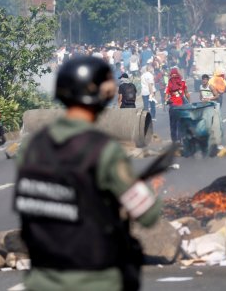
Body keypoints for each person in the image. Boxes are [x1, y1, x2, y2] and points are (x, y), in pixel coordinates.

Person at [14, 56, 161, 291]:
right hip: (93, 279)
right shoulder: (102, 149)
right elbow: (148, 214)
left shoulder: (33, 148)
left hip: (42, 279)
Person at [165, 68, 190, 143]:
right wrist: (189, 103)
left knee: (173, 125)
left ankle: (174, 141)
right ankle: (180, 139)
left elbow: (166, 96)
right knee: (181, 123)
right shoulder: (182, 82)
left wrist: (167, 101)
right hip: (181, 107)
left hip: (173, 107)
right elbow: (187, 93)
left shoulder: (169, 83)